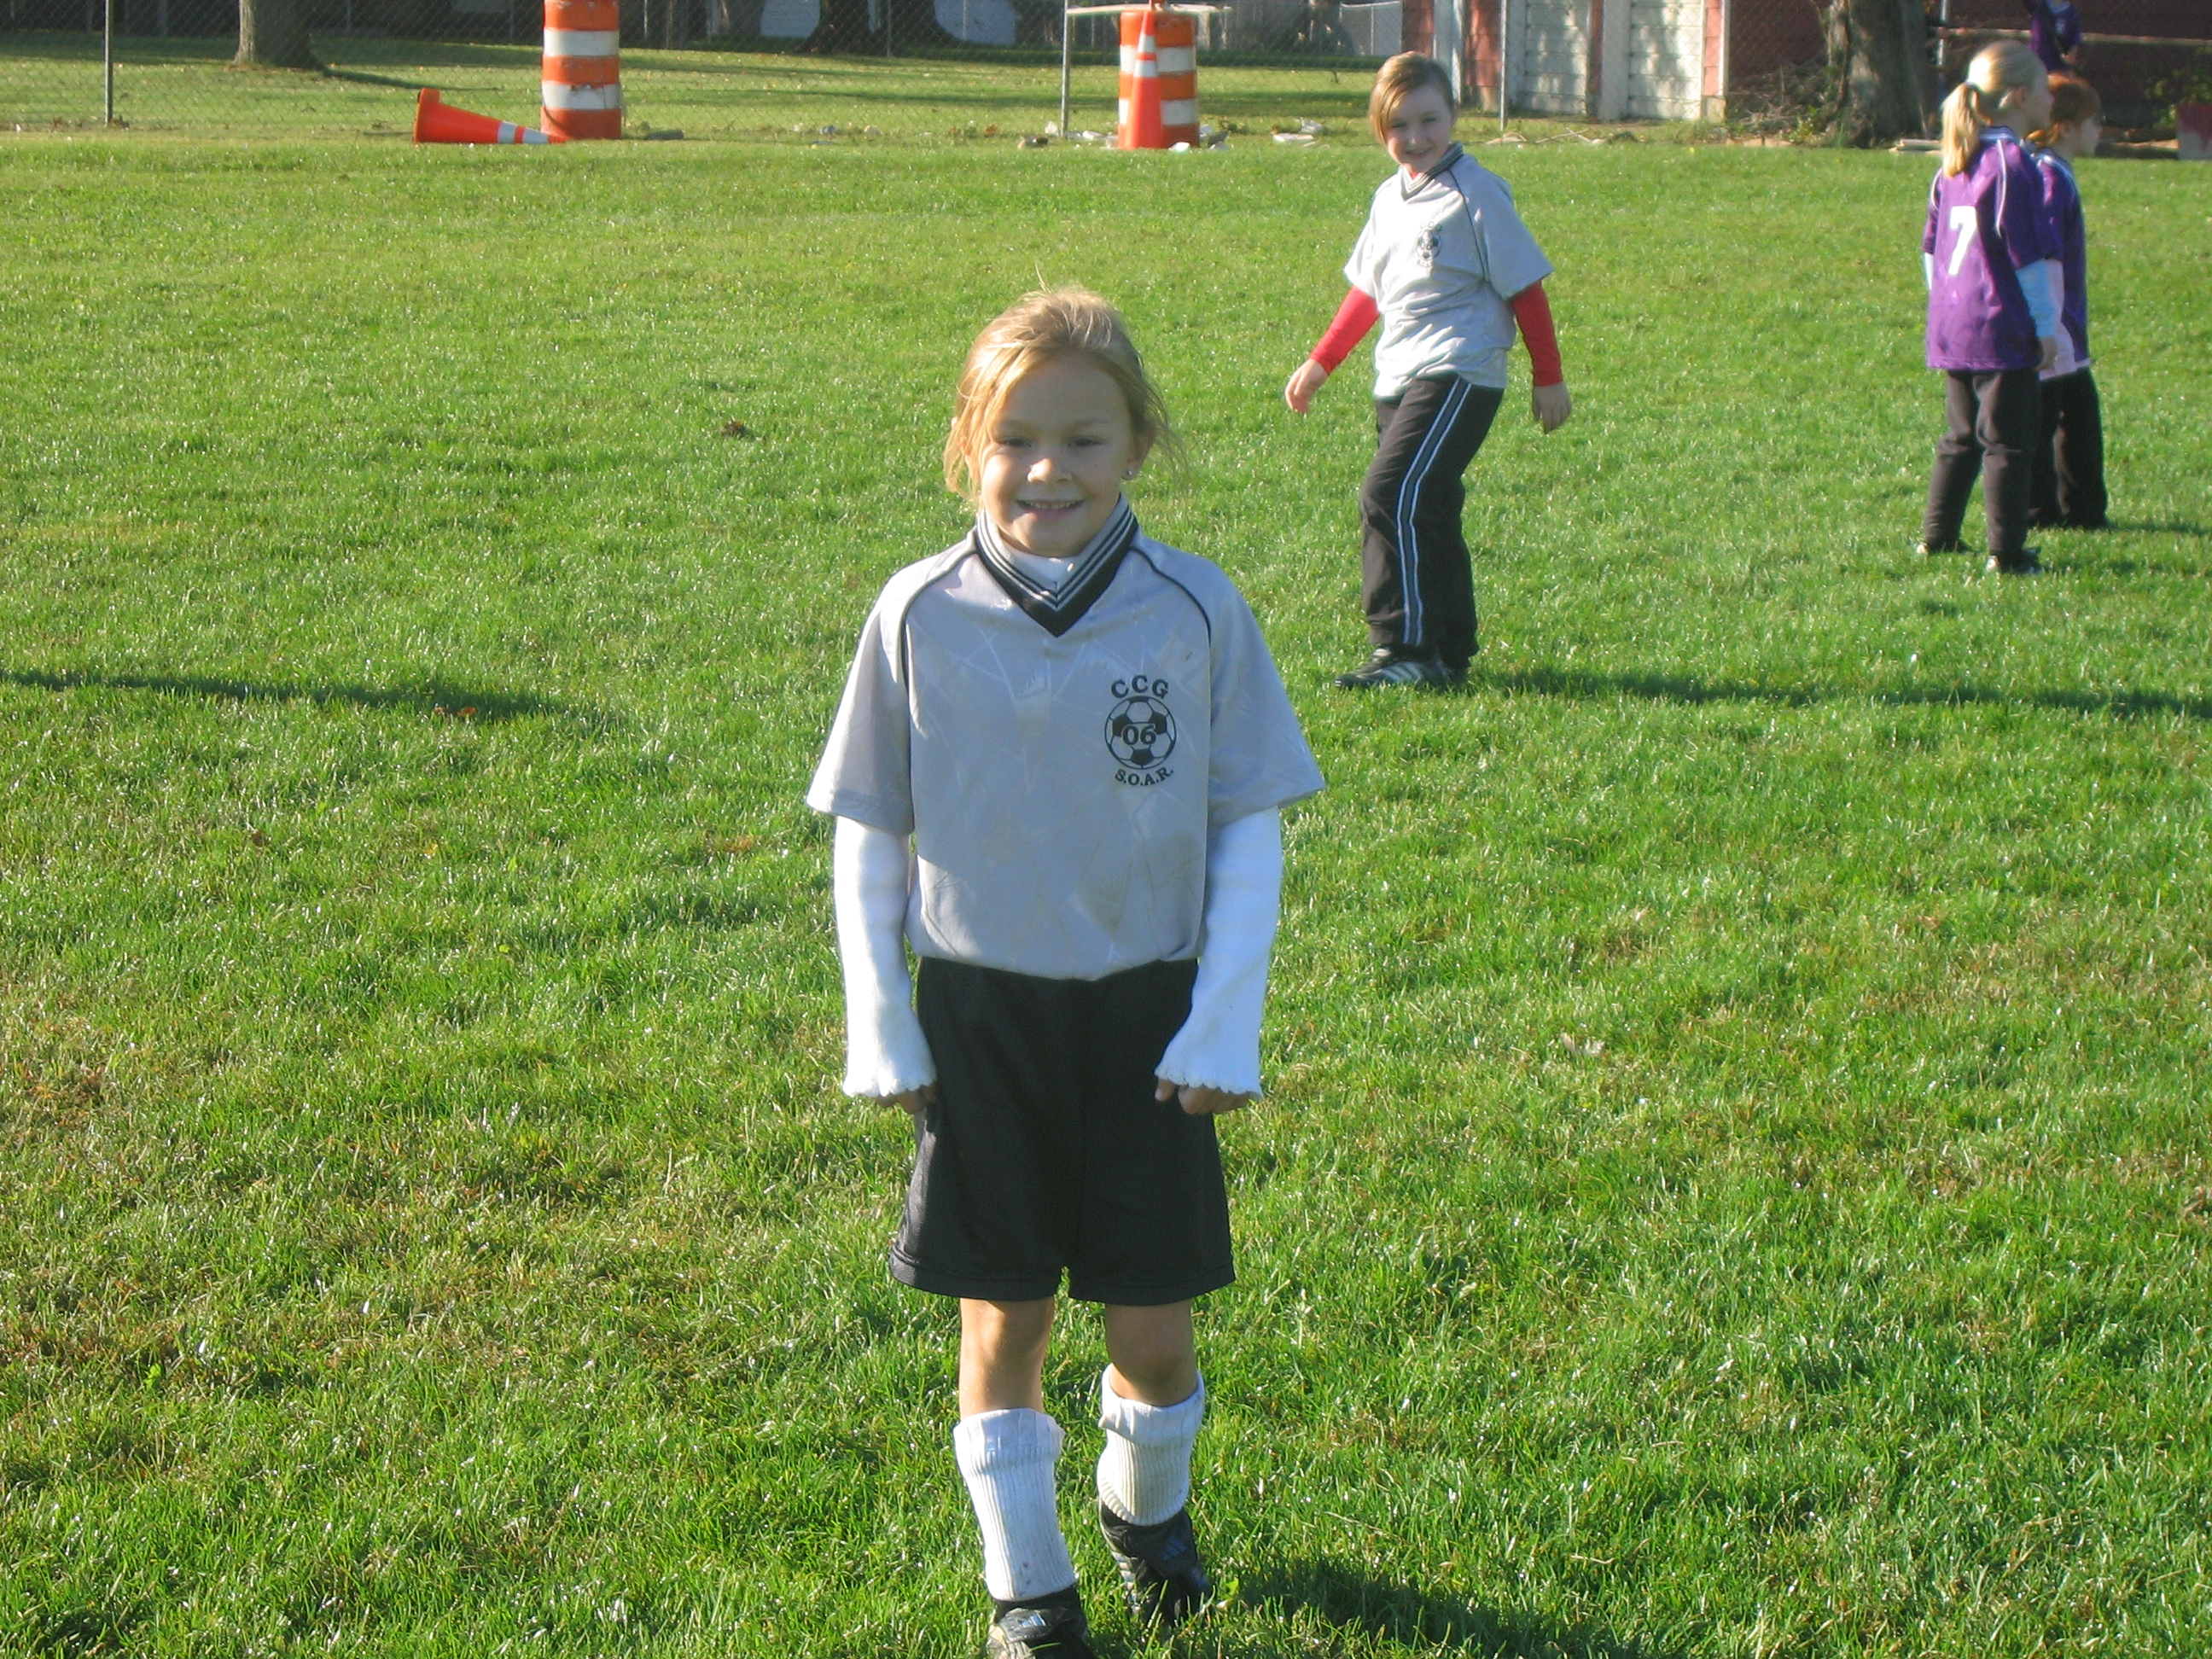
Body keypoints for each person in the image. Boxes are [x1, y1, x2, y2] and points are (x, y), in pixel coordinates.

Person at [807, 288, 1324, 1657]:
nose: (1049, 469)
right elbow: (869, 829)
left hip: (1148, 1026)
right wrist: (880, 1018)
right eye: (1016, 440)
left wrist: (1224, 1019)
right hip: (983, 1025)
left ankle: (1146, 1515)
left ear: (1137, 444)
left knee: (1154, 1337)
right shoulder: (917, 612)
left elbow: (1248, 823)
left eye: (1084, 440)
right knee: (1007, 1322)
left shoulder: (1195, 610)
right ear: (968, 446)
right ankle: (1028, 1591)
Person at [1283, 50, 1570, 690]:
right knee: (1428, 506)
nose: (1415, 138)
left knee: (1389, 494)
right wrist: (1322, 361)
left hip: (1460, 370)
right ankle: (1447, 649)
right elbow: (1369, 292)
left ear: (1454, 115)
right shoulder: (1390, 197)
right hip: (1400, 374)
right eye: (1398, 126)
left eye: (1428, 120)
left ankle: (1403, 646)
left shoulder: (1476, 193)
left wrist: (1547, 376)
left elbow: (1526, 288)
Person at [1918, 39, 2061, 577]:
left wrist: (1945, 308)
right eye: (2045, 89)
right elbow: (2027, 258)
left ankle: (1936, 539)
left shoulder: (1954, 160)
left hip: (1953, 322)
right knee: (2008, 443)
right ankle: (2007, 555)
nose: (2051, 99)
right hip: (2000, 325)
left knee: (1960, 437)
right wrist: (2045, 326)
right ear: (2021, 96)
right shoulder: (2013, 163)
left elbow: (1930, 252)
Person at [2029, 74, 2109, 529]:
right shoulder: (2048, 178)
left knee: (2074, 413)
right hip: (2053, 325)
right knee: (2050, 419)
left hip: (2063, 322)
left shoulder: (2054, 172)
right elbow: (2045, 259)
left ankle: (2081, 510)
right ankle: (2045, 511)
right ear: (2067, 127)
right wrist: (2052, 327)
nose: (2100, 129)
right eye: (2094, 120)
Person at [2024, 0, 2082, 76]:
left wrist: (2071, 56)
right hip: (2036, 64)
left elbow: (2075, 39)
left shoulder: (2071, 13)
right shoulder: (2038, 6)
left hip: (2059, 69)